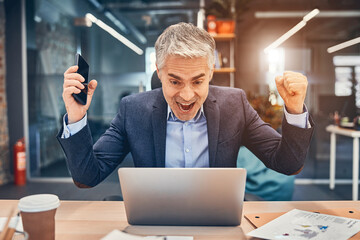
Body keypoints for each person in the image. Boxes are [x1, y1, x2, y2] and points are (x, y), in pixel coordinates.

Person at [57, 22, 314, 188]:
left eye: (198, 81)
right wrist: (77, 117)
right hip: (155, 220)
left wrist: (294, 110)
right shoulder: (132, 110)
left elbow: (288, 164)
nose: (187, 95)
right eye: (175, 81)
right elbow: (86, 177)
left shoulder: (234, 104)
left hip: (219, 219)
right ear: (159, 73)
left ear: (211, 73)